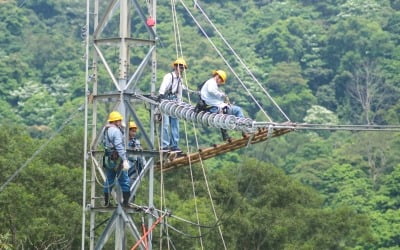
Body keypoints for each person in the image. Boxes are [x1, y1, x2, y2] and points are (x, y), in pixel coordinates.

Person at [200, 70, 244, 141]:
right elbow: (211, 90)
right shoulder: (212, 83)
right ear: (218, 77)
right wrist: (222, 95)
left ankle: (226, 135)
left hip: (212, 107)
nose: (220, 82)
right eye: (221, 80)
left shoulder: (209, 83)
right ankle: (243, 128)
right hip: (214, 108)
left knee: (223, 116)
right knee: (237, 110)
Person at [158, 58, 188, 154]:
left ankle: (174, 145)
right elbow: (163, 88)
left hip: (174, 102)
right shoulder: (169, 76)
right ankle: (165, 145)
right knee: (166, 124)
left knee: (175, 124)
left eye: (182, 67)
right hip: (165, 100)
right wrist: (161, 97)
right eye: (179, 66)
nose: (180, 69)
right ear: (175, 67)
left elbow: (179, 94)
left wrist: (179, 104)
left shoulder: (180, 80)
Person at [102, 111, 131, 207]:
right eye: (119, 121)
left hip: (108, 158)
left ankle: (106, 202)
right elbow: (119, 146)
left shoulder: (106, 130)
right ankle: (126, 202)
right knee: (124, 180)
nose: (120, 122)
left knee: (109, 179)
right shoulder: (116, 131)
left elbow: (104, 143)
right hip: (117, 158)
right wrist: (125, 159)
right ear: (115, 121)